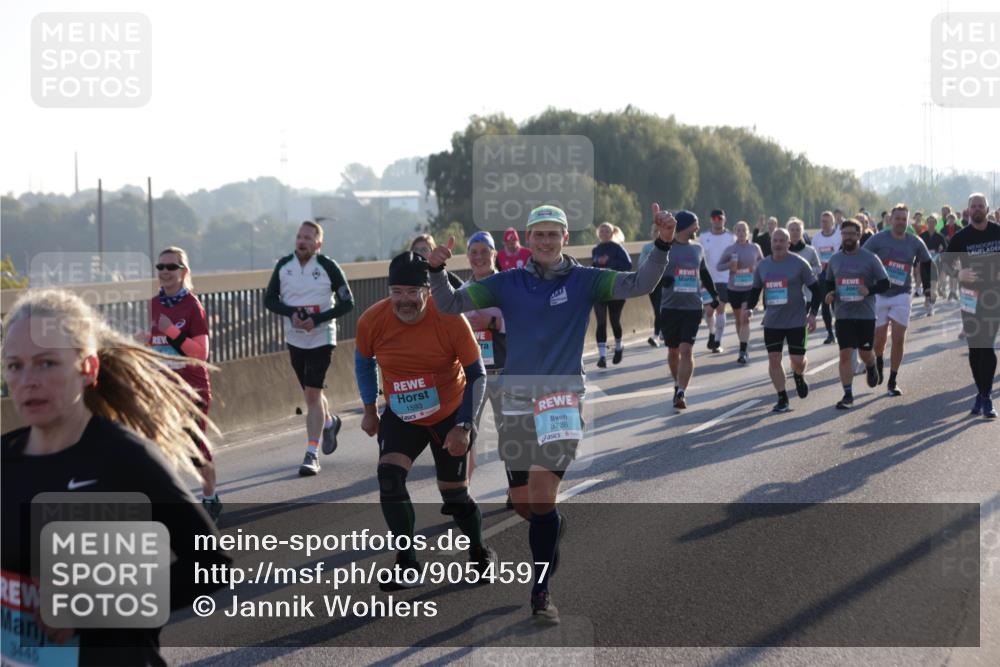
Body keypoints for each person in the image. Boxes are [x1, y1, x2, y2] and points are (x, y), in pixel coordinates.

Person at [427, 203, 675, 623]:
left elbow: (639, 283)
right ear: (527, 240)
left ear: (565, 238)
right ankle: (550, 527)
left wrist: (662, 245)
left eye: (552, 234)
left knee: (541, 498)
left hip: (561, 399)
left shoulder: (585, 280)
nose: (544, 241)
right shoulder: (508, 283)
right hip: (516, 401)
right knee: (525, 506)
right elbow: (451, 305)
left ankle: (540, 591)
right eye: (537, 234)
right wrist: (436, 271)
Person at [2, 289, 231, 666]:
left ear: (87, 368)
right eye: (15, 366)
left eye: (46, 364)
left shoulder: (124, 459)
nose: (28, 380)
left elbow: (210, 563)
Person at [354, 252, 495, 588]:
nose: (403, 300)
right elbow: (363, 364)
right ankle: (408, 563)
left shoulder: (449, 318)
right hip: (402, 415)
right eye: (396, 292)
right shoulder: (372, 321)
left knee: (454, 496)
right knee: (389, 478)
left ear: (427, 292)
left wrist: (466, 425)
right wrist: (370, 409)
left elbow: (477, 374)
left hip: (450, 413)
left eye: (412, 292)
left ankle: (479, 551)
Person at [265, 220, 353, 476]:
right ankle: (328, 421)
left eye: (308, 238)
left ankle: (311, 454)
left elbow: (348, 303)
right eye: (299, 237)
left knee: (312, 395)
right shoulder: (284, 266)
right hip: (295, 339)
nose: (302, 241)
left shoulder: (328, 266)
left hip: (322, 338)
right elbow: (269, 299)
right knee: (311, 392)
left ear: (318, 243)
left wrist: (317, 319)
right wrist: (291, 313)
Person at [144, 246, 221, 521]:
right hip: (162, 390)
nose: (164, 272)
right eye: (160, 267)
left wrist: (171, 331)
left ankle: (210, 498)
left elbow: (200, 353)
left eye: (171, 267)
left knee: (194, 452)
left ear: (183, 271)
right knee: (157, 446)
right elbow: (151, 345)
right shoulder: (151, 305)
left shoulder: (192, 306)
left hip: (192, 389)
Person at [748, 228, 822, 412]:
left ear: (789, 244)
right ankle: (782, 397)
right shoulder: (763, 265)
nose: (778, 244)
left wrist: (812, 314)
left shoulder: (799, 263)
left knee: (797, 360)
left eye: (782, 241)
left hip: (797, 320)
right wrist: (747, 308)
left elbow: (817, 290)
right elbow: (755, 291)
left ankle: (798, 374)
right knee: (774, 359)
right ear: (771, 243)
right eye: (775, 241)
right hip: (772, 321)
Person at [864, 204, 933, 396]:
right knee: (878, 340)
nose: (901, 222)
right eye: (898, 218)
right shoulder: (878, 239)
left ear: (908, 221)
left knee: (898, 337)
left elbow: (926, 263)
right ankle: (878, 360)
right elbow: (863, 258)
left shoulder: (915, 242)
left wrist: (928, 288)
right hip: (880, 293)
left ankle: (893, 380)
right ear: (891, 220)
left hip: (903, 293)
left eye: (904, 219)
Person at [824, 218, 891, 409]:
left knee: (865, 352)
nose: (847, 237)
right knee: (845, 354)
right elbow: (828, 281)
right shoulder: (835, 259)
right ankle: (847, 394)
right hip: (843, 314)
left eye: (851, 234)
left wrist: (868, 290)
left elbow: (885, 283)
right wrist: (829, 293)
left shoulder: (870, 258)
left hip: (865, 314)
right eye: (844, 234)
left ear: (859, 235)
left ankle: (871, 365)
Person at [944, 193, 999, 418]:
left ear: (987, 209)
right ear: (968, 210)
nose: (977, 209)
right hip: (969, 297)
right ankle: (981, 392)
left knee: (987, 346)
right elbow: (946, 264)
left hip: (994, 297)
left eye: (981, 206)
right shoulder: (961, 237)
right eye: (973, 206)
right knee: (975, 349)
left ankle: (986, 398)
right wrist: (959, 272)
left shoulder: (998, 231)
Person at [461, 231, 507, 486]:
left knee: (509, 433)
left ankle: (517, 485)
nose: (479, 257)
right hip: (473, 374)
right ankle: (462, 490)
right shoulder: (463, 290)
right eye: (473, 252)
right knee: (466, 431)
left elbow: (527, 322)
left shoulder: (508, 285)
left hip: (504, 370)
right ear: (468, 257)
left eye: (484, 252)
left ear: (494, 255)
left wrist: (492, 322)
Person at [660, 211, 720, 408]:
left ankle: (682, 392)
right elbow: (650, 271)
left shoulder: (697, 249)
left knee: (686, 350)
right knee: (673, 350)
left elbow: (704, 273)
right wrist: (664, 279)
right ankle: (676, 383)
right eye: (696, 224)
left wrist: (714, 295)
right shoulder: (666, 247)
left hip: (692, 306)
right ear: (686, 226)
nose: (698, 227)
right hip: (670, 306)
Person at [715, 221, 763, 364]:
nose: (741, 233)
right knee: (738, 320)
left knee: (745, 317)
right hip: (734, 288)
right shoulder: (730, 249)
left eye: (744, 231)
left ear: (748, 232)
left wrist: (759, 269)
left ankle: (742, 351)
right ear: (736, 233)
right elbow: (719, 266)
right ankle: (744, 345)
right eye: (739, 231)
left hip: (750, 288)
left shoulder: (755, 247)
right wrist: (730, 265)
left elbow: (762, 262)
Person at [591, 222, 633, 366]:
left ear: (612, 233)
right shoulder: (595, 250)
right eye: (601, 231)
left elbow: (628, 265)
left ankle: (619, 347)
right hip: (600, 290)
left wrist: (610, 261)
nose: (604, 233)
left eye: (607, 231)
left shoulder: (618, 248)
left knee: (615, 321)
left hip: (616, 289)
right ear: (598, 233)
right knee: (601, 322)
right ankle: (602, 357)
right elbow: (594, 267)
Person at [699, 209, 735, 353]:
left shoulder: (730, 237)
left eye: (719, 218)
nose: (717, 221)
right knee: (708, 311)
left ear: (724, 220)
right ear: (710, 220)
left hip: (725, 279)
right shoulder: (703, 237)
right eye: (714, 218)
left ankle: (717, 341)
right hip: (708, 279)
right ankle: (712, 332)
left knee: (720, 307)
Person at [813, 210, 842, 344]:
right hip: (824, 274)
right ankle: (830, 333)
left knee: (837, 304)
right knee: (825, 304)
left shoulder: (838, 236)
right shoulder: (816, 238)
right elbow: (815, 256)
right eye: (822, 221)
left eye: (826, 221)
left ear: (832, 222)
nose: (823, 224)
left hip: (838, 274)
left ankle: (840, 329)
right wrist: (821, 265)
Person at [640, 224, 669, 347]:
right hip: (653, 281)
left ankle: (658, 334)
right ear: (652, 233)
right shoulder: (648, 247)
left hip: (668, 280)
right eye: (656, 231)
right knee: (657, 308)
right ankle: (660, 332)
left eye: (660, 230)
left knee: (664, 307)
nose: (658, 233)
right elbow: (641, 263)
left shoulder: (670, 245)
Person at [920, 217, 949, 309]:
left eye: (933, 222)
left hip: (936, 262)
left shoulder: (939, 236)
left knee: (933, 284)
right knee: (926, 283)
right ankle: (927, 299)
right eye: (929, 222)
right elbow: (917, 249)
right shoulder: (922, 236)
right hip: (924, 262)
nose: (931, 224)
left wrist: (940, 251)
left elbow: (945, 248)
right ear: (927, 224)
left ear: (935, 224)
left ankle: (931, 305)